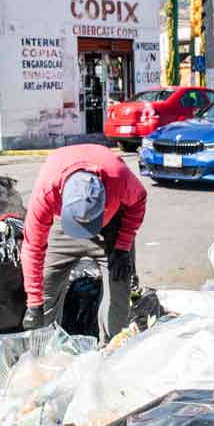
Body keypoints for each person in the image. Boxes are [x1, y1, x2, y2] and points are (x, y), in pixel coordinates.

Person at [21, 144, 147, 343]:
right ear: (61, 195)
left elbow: (138, 201)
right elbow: (32, 248)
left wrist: (122, 246)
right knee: (46, 289)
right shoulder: (46, 191)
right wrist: (34, 303)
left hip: (110, 227)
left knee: (118, 292)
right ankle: (45, 353)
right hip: (62, 227)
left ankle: (112, 350)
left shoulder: (118, 176)